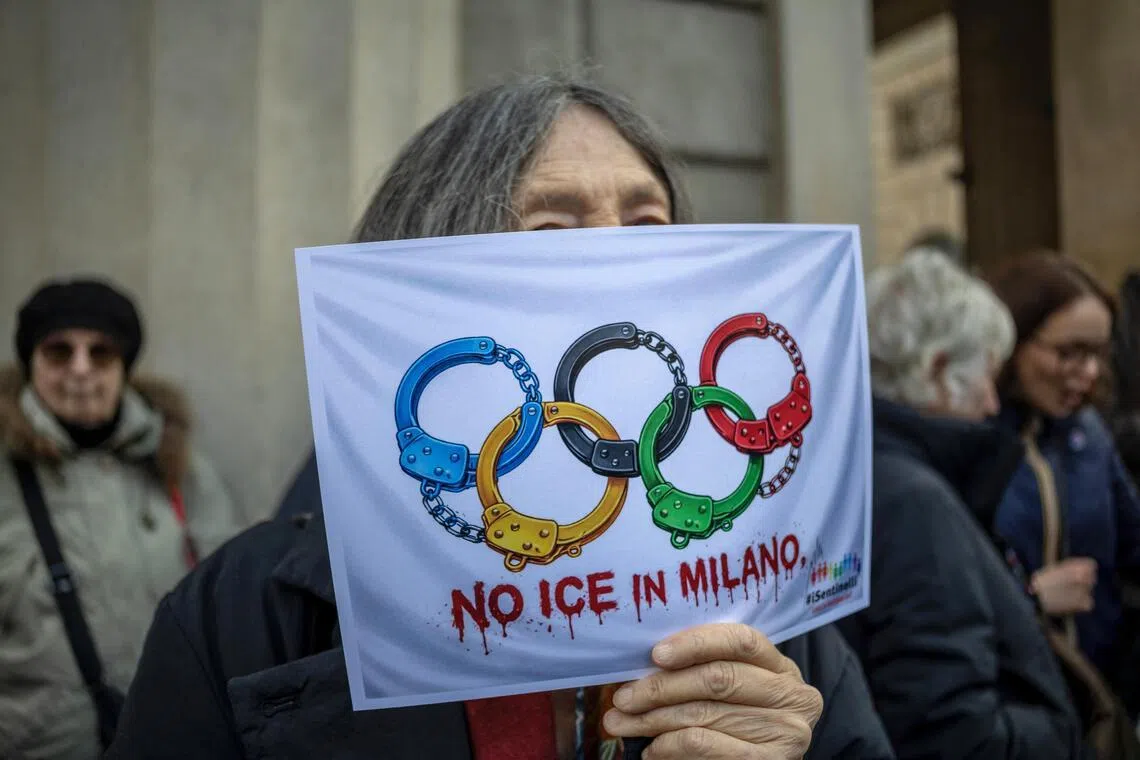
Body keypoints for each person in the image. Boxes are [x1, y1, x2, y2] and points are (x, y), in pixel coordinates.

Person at [107, 75, 894, 759]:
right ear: (428, 264)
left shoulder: (766, 613)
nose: (617, 258)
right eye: (551, 228)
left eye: (648, 224)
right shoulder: (242, 617)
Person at [835, 250, 1087, 757]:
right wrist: (1059, 734)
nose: (994, 404)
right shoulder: (913, 502)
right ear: (937, 369)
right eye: (987, 378)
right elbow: (951, 733)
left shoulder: (860, 467)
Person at [0, 278, 243, 759]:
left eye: (101, 353)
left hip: (172, 739)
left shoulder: (177, 464)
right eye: (59, 352)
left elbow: (230, 592)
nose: (81, 369)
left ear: (125, 366)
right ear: (31, 363)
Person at [988, 251, 1140, 717]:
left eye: (1097, 353)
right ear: (1010, 341)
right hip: (1013, 700)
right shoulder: (974, 444)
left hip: (1100, 692)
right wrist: (1030, 598)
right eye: (1069, 353)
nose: (1089, 373)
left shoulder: (1088, 435)